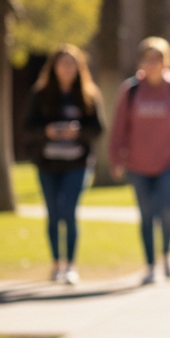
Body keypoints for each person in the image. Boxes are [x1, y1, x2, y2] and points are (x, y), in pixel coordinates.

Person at [108, 37, 170, 285]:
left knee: (165, 211)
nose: (152, 64)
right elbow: (119, 127)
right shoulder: (131, 91)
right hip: (137, 164)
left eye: (157, 58)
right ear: (140, 62)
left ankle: (167, 255)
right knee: (146, 215)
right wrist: (115, 157)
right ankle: (150, 264)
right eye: (147, 59)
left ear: (166, 61)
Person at [24, 45, 104, 285]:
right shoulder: (40, 94)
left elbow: (98, 128)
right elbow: (27, 127)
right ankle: (56, 263)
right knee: (53, 214)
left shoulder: (88, 94)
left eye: (71, 64)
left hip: (77, 163)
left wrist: (77, 132)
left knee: (68, 212)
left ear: (79, 68)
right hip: (47, 163)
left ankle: (70, 265)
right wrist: (47, 131)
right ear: (54, 67)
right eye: (62, 63)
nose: (67, 68)